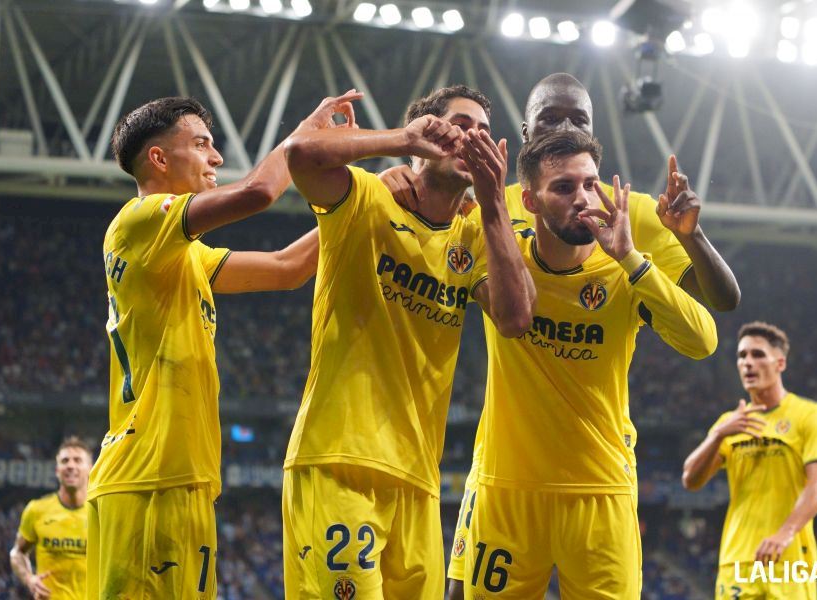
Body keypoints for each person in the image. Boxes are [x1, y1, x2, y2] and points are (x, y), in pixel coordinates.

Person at [396, 72, 740, 599]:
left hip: (600, 482)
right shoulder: (490, 204)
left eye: (577, 119)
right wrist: (399, 177)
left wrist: (656, 250)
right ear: (526, 134)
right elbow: (429, 217)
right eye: (550, 118)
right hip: (505, 478)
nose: (564, 128)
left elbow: (716, 311)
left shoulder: (633, 219)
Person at [87, 91, 361, 598]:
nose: (215, 157)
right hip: (149, 480)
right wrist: (303, 138)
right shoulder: (139, 219)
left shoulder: (184, 257)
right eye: (201, 144)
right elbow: (258, 192)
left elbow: (286, 268)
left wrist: (362, 206)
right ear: (159, 158)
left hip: (180, 480)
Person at [281, 84, 535, 599]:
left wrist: (493, 206)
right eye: (460, 125)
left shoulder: (473, 236)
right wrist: (400, 140)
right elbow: (299, 155)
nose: (473, 139)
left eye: (484, 133)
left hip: (419, 480)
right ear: (427, 131)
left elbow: (516, 318)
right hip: (340, 461)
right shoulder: (366, 197)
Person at [459, 130, 716, 599]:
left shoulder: (626, 269)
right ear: (530, 202)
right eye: (563, 187)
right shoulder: (502, 258)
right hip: (508, 491)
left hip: (602, 493)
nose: (582, 198)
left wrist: (631, 259)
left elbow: (703, 342)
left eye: (590, 184)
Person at [683, 322, 817, 599]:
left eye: (758, 354)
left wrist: (785, 532)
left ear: (780, 363)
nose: (748, 363)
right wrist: (718, 434)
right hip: (737, 562)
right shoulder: (730, 423)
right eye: (742, 356)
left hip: (790, 561)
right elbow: (690, 480)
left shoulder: (809, 414)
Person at [10, 437, 93, 600]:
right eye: (65, 461)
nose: (70, 465)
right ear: (57, 470)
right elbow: (17, 552)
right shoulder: (36, 510)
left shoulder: (101, 513)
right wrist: (29, 579)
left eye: (77, 460)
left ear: (90, 469)